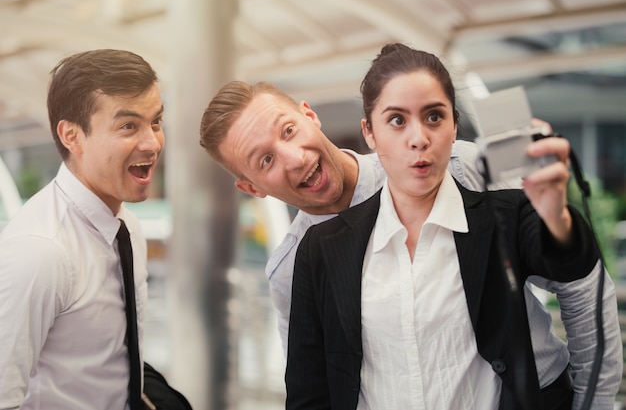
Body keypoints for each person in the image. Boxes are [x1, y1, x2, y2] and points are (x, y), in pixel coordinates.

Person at [199, 83, 621, 406]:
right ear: (251, 188)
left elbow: (580, 286)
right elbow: (317, 386)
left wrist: (595, 404)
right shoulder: (292, 267)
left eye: (289, 130)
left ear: (309, 115)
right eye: (266, 160)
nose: (294, 157)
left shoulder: (461, 169)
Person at [283, 42, 607, 410]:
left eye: (434, 117)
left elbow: (567, 261)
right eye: (397, 120)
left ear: (454, 126)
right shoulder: (320, 247)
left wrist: (555, 214)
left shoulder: (505, 214)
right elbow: (308, 393)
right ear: (369, 133)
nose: (419, 138)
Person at [0, 49, 164, 409]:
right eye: (128, 126)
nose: (152, 142)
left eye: (155, 122)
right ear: (72, 137)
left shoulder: (128, 228)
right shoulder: (41, 249)